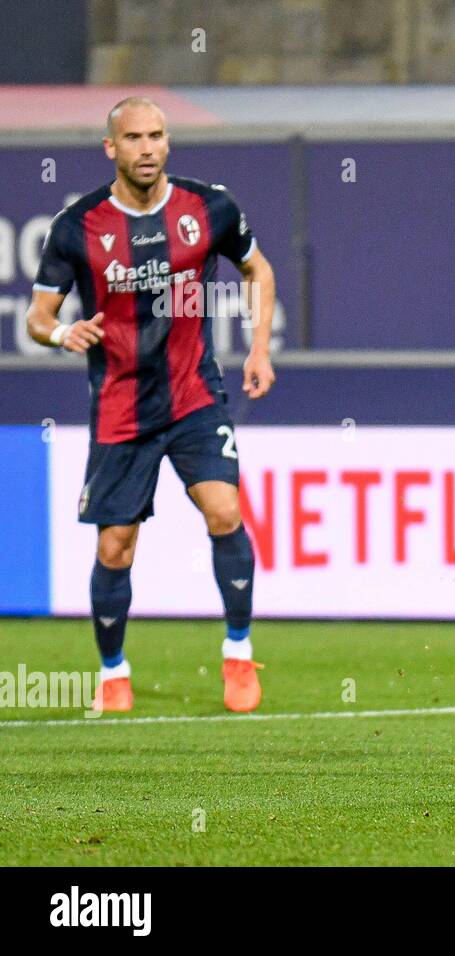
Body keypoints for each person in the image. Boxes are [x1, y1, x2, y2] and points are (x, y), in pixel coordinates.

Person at [26, 96, 277, 713]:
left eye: (157, 135)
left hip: (194, 393)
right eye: (133, 137)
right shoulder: (76, 227)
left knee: (224, 510)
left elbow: (258, 271)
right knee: (116, 546)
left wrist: (259, 350)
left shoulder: (208, 207)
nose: (147, 148)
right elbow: (38, 316)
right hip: (121, 406)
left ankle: (239, 656)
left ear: (168, 142)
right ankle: (113, 671)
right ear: (110, 148)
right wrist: (63, 334)